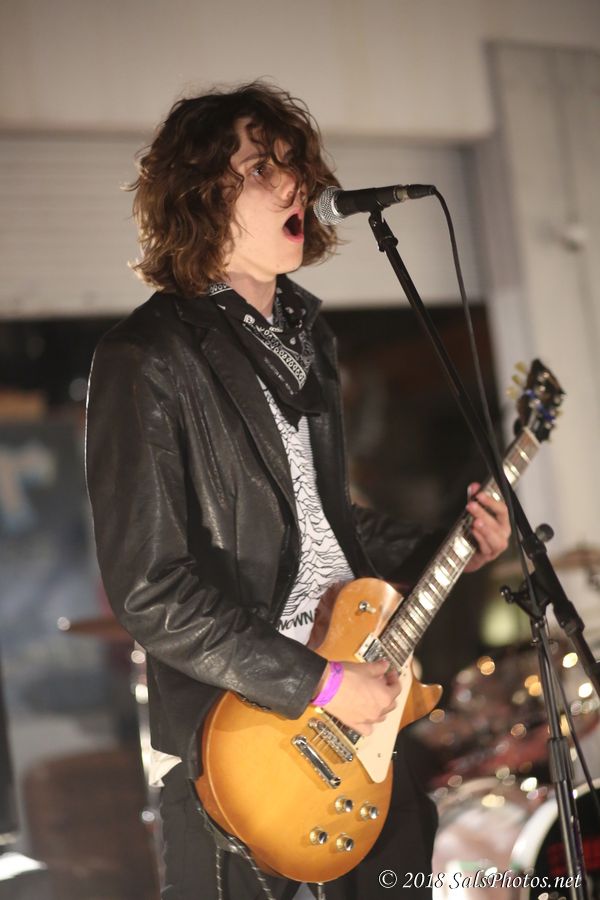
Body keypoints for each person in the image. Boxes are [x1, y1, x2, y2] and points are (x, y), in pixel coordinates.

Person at [85, 81, 510, 900]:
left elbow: (323, 522)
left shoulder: (306, 337)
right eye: (259, 169)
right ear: (199, 198)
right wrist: (318, 683)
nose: (295, 186)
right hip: (246, 742)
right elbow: (151, 590)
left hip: (356, 736)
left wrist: (451, 546)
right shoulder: (147, 358)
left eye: (294, 165)